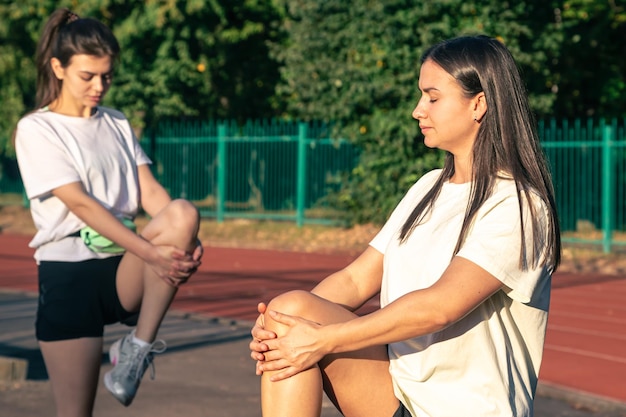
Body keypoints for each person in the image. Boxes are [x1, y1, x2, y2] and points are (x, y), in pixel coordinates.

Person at [249, 35, 561, 417]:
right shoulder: (428, 187)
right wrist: (282, 327)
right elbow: (354, 281)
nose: (418, 110)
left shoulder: (518, 204)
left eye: (432, 97)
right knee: (288, 317)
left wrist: (321, 338)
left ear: (478, 104)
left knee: (302, 337)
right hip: (395, 396)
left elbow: (439, 307)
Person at [13, 8, 203, 417]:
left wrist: (185, 242)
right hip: (68, 273)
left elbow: (151, 194)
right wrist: (153, 253)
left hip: (121, 267)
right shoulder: (37, 129)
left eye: (107, 76)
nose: (100, 86)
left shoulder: (116, 123)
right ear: (58, 68)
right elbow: (80, 203)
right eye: (88, 76)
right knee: (75, 412)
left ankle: (137, 346)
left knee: (183, 214)